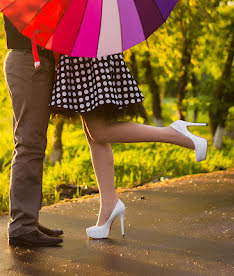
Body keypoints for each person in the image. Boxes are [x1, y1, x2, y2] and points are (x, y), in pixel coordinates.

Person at [49, 53, 208, 239]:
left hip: (85, 57)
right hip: (86, 57)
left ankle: (174, 133)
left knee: (98, 131)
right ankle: (108, 205)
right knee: (93, 134)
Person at [3, 16, 63, 247]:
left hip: (36, 60)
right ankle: (22, 225)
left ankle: (28, 218)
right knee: (29, 143)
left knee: (35, 143)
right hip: (28, 61)